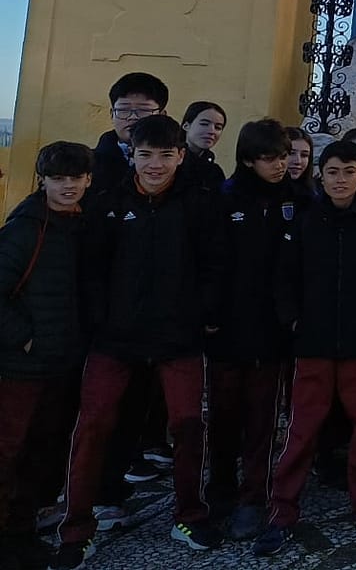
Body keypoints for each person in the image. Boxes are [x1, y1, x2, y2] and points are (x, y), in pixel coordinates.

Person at [56, 115, 227, 564]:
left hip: (178, 337)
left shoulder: (199, 204)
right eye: (146, 154)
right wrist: (101, 320)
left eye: (165, 155)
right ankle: (76, 529)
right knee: (92, 425)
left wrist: (201, 314)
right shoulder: (107, 203)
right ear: (132, 155)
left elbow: (215, 266)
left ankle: (189, 514)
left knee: (188, 425)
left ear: (181, 156)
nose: (155, 165)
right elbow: (91, 271)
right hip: (115, 339)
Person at [252, 141, 356, 557]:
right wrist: (294, 319)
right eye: (332, 172)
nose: (340, 180)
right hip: (314, 343)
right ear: (320, 176)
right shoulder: (305, 220)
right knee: (301, 428)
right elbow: (283, 276)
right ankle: (282, 510)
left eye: (348, 171)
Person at [207, 120, 302, 540]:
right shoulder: (224, 198)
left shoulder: (297, 199)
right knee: (223, 416)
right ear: (248, 160)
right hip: (227, 328)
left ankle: (253, 497)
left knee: (263, 418)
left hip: (272, 329)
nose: (280, 165)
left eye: (283, 156)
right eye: (269, 158)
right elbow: (211, 262)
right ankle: (220, 488)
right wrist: (210, 314)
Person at [0, 144, 90, 570]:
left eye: (75, 178)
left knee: (41, 454)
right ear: (43, 180)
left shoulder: (83, 226)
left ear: (88, 180)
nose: (68, 186)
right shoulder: (24, 230)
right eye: (58, 178)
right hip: (21, 368)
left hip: (62, 365)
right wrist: (25, 339)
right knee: (8, 453)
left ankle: (22, 534)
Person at [90, 71, 169, 200]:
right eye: (123, 110)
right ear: (112, 114)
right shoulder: (89, 164)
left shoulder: (182, 164)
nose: (133, 117)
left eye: (143, 110)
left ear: (162, 115)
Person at [181, 101, 229, 188]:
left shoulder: (215, 172)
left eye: (218, 127)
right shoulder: (171, 163)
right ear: (186, 126)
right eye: (204, 124)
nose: (212, 131)